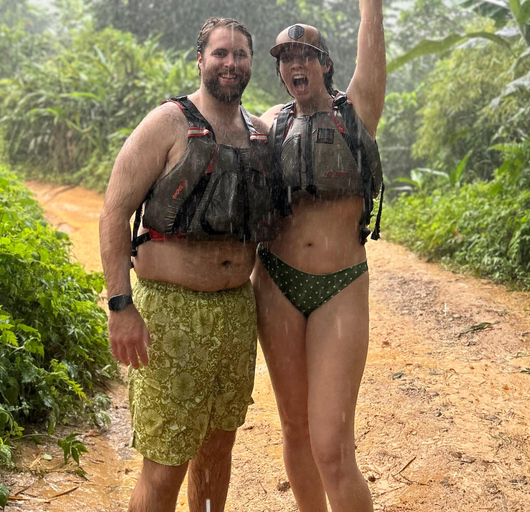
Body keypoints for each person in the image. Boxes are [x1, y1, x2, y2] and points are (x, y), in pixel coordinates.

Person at [99, 17, 281, 512]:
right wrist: (121, 306)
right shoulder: (168, 123)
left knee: (218, 448)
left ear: (249, 64)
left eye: (240, 54)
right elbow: (115, 211)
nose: (231, 63)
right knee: (165, 463)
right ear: (200, 60)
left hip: (234, 313)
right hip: (168, 315)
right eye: (221, 53)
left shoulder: (261, 137)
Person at [252, 1, 386, 511]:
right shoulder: (270, 123)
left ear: (324, 64)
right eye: (285, 58)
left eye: (305, 55)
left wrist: (369, 7)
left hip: (341, 286)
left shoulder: (358, 111)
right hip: (277, 284)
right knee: (295, 427)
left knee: (332, 445)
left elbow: (371, 45)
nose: (294, 65)